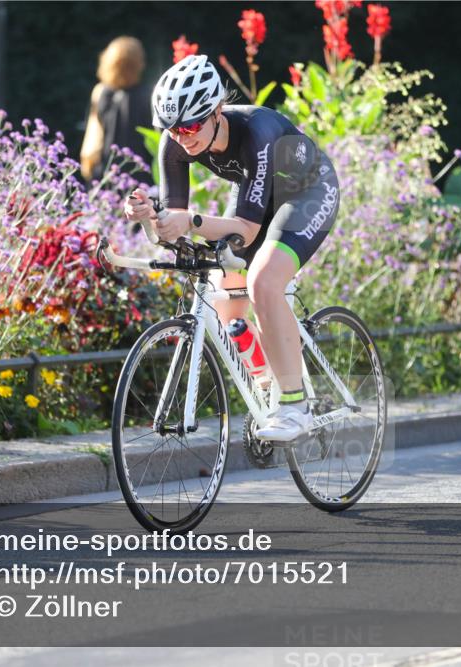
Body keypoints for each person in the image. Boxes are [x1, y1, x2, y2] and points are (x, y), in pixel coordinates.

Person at [124, 54, 339, 441]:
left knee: (263, 282)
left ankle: (295, 405)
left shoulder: (256, 130)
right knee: (223, 286)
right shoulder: (174, 145)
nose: (182, 137)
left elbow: (246, 228)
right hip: (256, 194)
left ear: (217, 111)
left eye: (190, 126)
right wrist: (148, 216)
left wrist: (188, 219)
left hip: (306, 192)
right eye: (171, 129)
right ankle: (264, 377)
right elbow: (175, 230)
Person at [80, 36, 153, 182]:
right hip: (140, 178)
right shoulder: (148, 95)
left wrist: (87, 167)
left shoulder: (101, 92)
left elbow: (92, 143)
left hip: (105, 176)